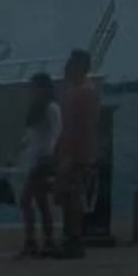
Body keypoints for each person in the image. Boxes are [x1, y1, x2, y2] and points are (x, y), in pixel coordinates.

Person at [49, 49, 101, 260]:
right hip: (72, 150)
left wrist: (71, 154)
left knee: (72, 196)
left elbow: (81, 127)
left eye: (71, 64)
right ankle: (71, 238)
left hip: (76, 153)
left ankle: (74, 240)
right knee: (68, 195)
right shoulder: (79, 91)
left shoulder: (83, 93)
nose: (66, 68)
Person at [13, 73, 61, 258]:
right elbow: (32, 136)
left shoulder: (51, 108)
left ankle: (32, 242)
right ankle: (47, 240)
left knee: (26, 200)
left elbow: (55, 133)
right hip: (34, 159)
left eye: (35, 88)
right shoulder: (38, 109)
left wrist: (49, 156)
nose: (32, 92)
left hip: (43, 160)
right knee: (41, 201)